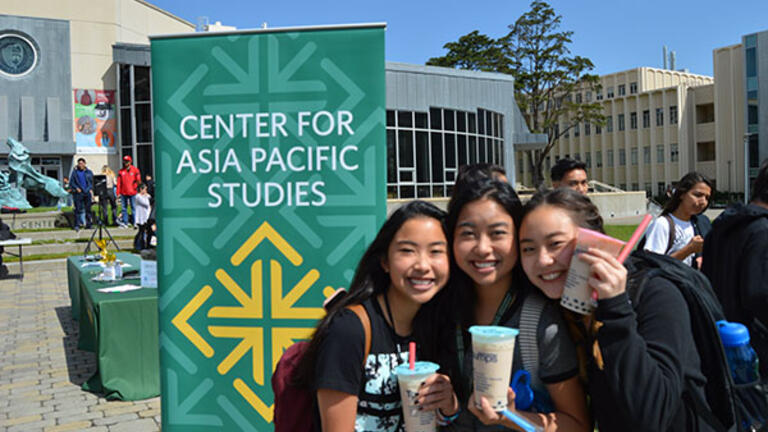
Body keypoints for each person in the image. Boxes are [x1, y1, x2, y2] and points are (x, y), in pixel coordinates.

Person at [518, 188, 714, 431]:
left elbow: (652, 416)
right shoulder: (570, 307)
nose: (543, 260)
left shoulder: (656, 294)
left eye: (556, 244)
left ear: (594, 241)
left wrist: (616, 308)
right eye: (529, 249)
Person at [292, 201, 458, 431]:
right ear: (385, 261)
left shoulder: (439, 325)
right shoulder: (350, 329)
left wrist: (448, 405)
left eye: (436, 252)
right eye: (407, 250)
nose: (422, 265)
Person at [444, 177, 589, 431]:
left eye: (498, 233)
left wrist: (511, 417)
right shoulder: (441, 311)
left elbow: (578, 425)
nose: (482, 248)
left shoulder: (540, 322)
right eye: (468, 233)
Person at [702, 160, 768, 378]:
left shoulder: (724, 224)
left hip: (720, 340)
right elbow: (758, 295)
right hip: (753, 351)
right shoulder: (762, 231)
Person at [643, 172, 712, 267]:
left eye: (707, 197)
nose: (703, 202)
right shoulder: (662, 224)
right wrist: (688, 249)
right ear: (682, 194)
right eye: (697, 195)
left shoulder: (700, 223)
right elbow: (653, 265)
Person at [69, 158, 93, 231]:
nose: (81, 165)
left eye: (82, 163)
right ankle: (77, 225)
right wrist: (76, 188)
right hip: (78, 193)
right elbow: (71, 183)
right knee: (78, 209)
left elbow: (92, 182)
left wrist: (89, 189)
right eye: (79, 163)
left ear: (85, 164)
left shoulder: (89, 172)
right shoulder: (75, 172)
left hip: (87, 193)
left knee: (88, 209)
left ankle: (89, 224)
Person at [117, 155, 141, 228]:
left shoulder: (135, 170)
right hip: (123, 192)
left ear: (130, 162)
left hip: (132, 192)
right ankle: (125, 222)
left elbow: (138, 180)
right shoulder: (121, 171)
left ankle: (135, 222)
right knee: (124, 208)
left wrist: (136, 188)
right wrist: (118, 192)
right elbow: (119, 183)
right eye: (125, 161)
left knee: (133, 207)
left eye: (127, 161)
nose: (126, 163)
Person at [133, 184, 152, 250]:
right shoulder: (138, 197)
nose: (146, 191)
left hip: (146, 216)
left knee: (145, 231)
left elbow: (150, 198)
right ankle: (139, 245)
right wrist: (146, 196)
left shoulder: (146, 196)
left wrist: (146, 195)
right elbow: (146, 203)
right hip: (140, 217)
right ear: (141, 189)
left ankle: (144, 245)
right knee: (141, 231)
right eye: (145, 189)